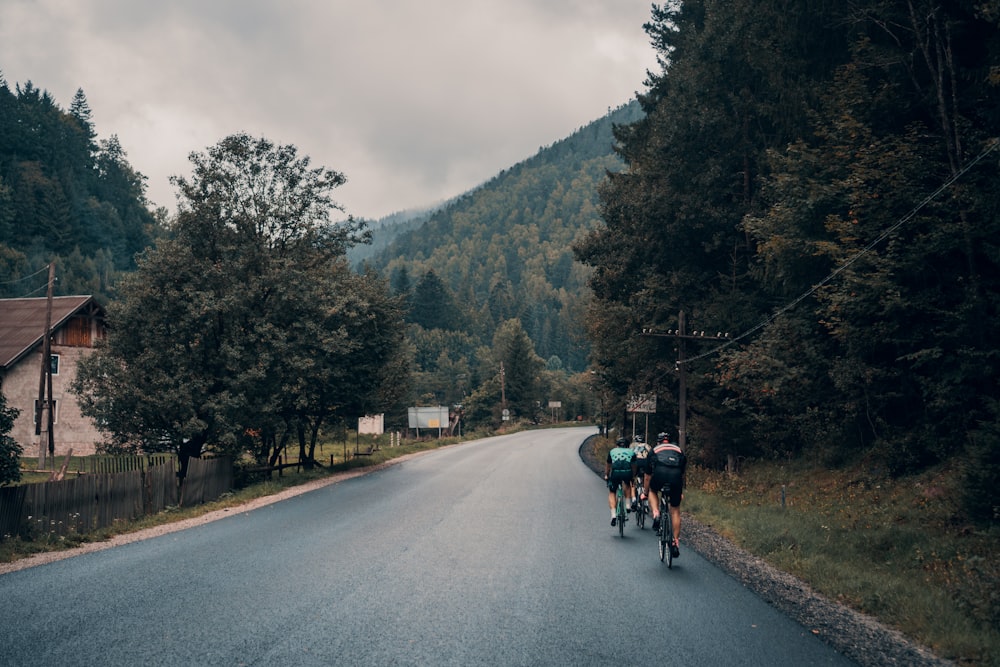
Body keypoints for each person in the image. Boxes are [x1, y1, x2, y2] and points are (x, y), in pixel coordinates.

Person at [642, 432, 686, 558]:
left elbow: (647, 476)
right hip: (676, 477)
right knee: (675, 510)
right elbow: (682, 474)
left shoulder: (654, 450)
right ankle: (675, 543)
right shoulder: (679, 450)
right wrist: (680, 492)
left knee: (653, 491)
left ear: (658, 442)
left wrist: (645, 492)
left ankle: (656, 513)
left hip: (660, 474)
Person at [604, 436, 637, 527]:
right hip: (627, 473)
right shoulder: (631, 452)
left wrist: (607, 475)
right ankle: (627, 505)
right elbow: (634, 466)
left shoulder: (612, 451)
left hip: (615, 473)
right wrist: (633, 476)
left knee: (612, 492)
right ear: (627, 445)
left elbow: (608, 465)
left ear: (617, 445)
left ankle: (614, 515)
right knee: (627, 484)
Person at [630, 434, 652, 511]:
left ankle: (633, 499)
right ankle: (646, 504)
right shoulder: (647, 446)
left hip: (636, 463)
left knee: (632, 481)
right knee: (645, 482)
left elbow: (630, 455)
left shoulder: (633, 445)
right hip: (646, 463)